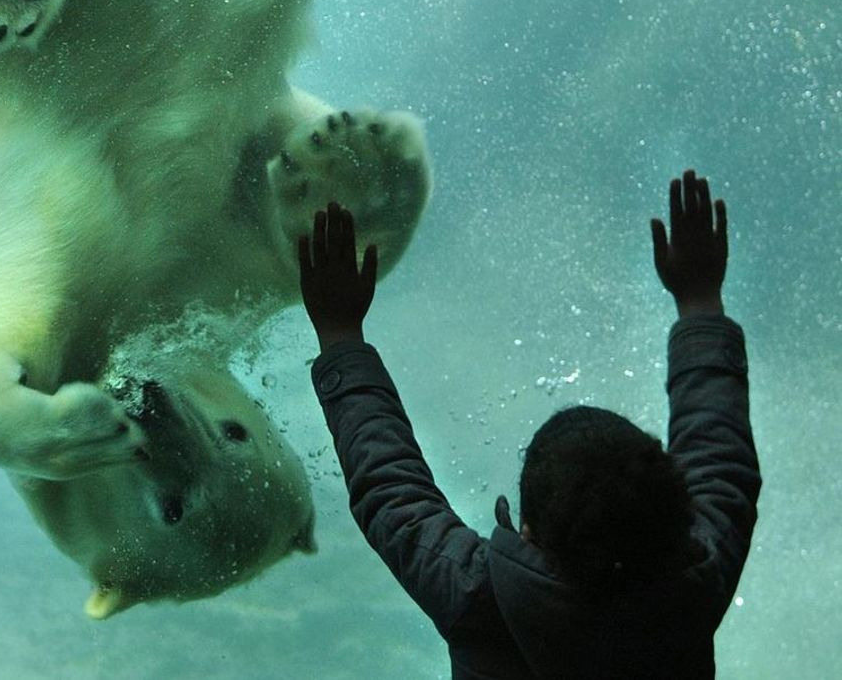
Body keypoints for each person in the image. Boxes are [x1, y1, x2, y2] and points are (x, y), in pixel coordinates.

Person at [300, 171, 759, 679]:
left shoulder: (479, 597)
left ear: (528, 532)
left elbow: (388, 484)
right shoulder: (697, 585)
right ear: (678, 511)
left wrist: (340, 333)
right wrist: (700, 305)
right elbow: (722, 455)